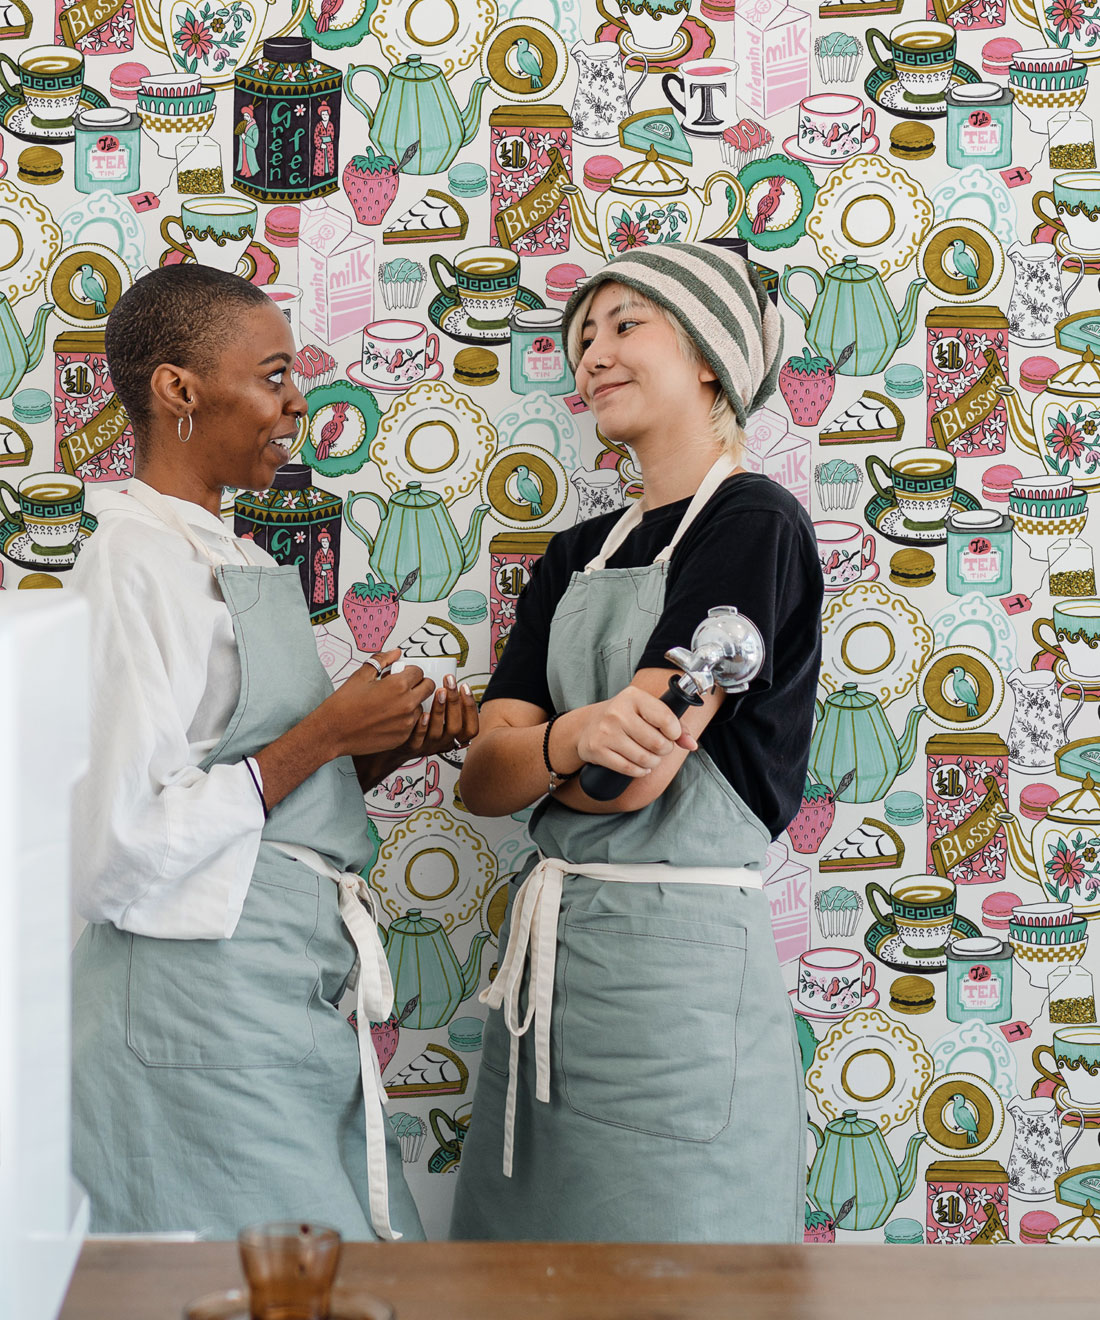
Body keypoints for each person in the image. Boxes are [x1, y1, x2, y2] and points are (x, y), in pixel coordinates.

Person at [69, 264, 478, 1241]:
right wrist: (327, 733)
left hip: (275, 987)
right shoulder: (129, 559)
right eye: (273, 375)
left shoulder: (239, 556)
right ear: (178, 389)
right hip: (190, 1003)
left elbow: (265, 797)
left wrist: (373, 751)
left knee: (331, 1272)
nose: (298, 402)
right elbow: (118, 849)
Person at [449, 242, 822, 1243]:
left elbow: (630, 778)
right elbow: (482, 781)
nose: (592, 356)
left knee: (673, 1275)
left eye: (624, 326)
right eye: (582, 339)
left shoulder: (753, 524)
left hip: (673, 984)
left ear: (707, 355)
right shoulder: (575, 554)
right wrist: (578, 735)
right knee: (524, 1281)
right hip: (553, 970)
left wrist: (547, 751)